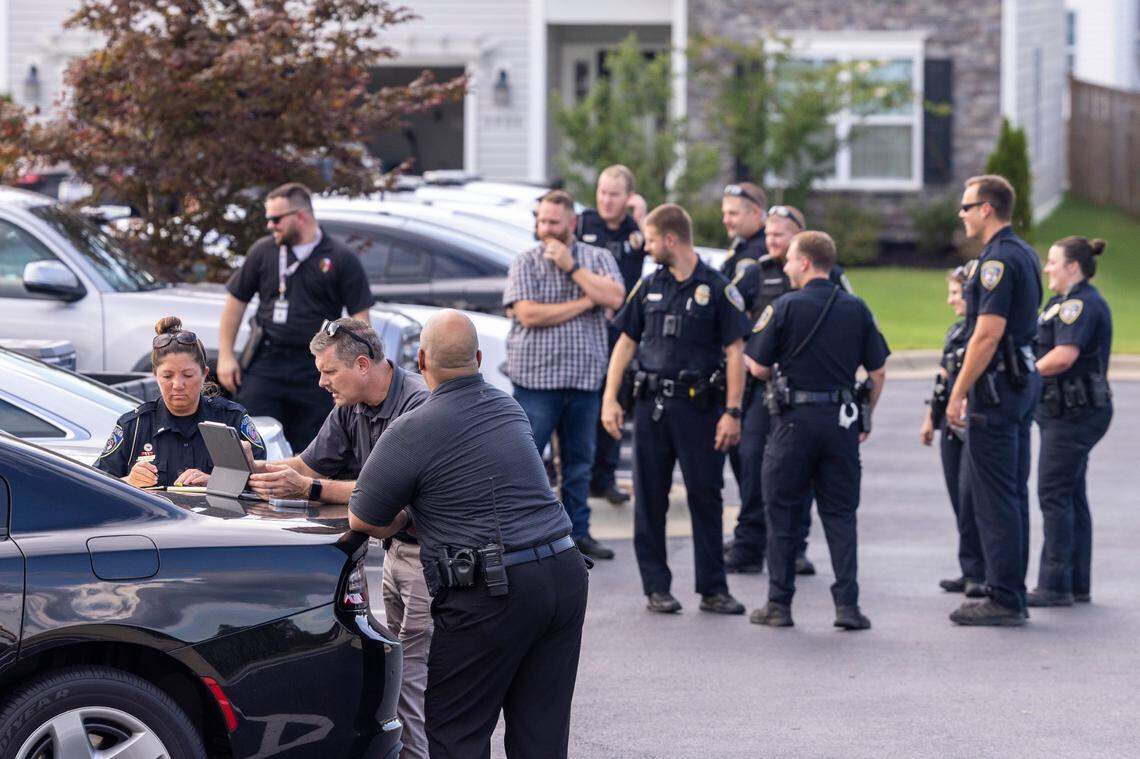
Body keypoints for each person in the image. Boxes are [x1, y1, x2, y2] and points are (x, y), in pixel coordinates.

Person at [348, 310, 590, 759]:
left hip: (491, 592)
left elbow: (363, 518)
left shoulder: (411, 428)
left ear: (420, 360)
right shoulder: (508, 406)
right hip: (564, 573)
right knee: (542, 734)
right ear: (478, 358)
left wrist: (404, 518)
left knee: (457, 733)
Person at [240, 317, 433, 759]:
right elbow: (309, 464)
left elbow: (394, 494)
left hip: (429, 555)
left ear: (362, 364)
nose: (320, 381)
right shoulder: (351, 403)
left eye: (328, 372)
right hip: (395, 550)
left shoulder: (418, 407)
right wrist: (256, 470)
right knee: (401, 674)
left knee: (414, 680)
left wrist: (309, 490)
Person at [601, 203, 752, 615]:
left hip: (699, 408)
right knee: (650, 500)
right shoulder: (650, 285)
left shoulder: (718, 289)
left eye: (651, 239)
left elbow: (735, 352)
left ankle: (713, 589)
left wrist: (732, 412)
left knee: (707, 496)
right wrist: (610, 398)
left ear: (671, 239)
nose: (646, 247)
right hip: (651, 407)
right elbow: (626, 343)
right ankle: (656, 587)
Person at [744, 231, 888, 630]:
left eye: (790, 259)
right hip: (840, 424)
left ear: (806, 263)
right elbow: (877, 371)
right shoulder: (856, 308)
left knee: (783, 512)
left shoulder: (785, 306)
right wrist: (863, 418)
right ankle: (847, 607)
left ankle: (779, 604)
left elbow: (756, 366)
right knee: (841, 515)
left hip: (793, 424)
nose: (786, 266)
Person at [504, 189, 625, 560]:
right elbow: (528, 315)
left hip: (584, 380)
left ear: (572, 223)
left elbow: (617, 297)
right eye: (541, 221)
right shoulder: (526, 261)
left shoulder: (596, 257)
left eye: (553, 222)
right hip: (536, 381)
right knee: (525, 459)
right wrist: (586, 301)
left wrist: (573, 269)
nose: (546, 229)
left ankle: (578, 535)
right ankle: (521, 534)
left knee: (579, 464)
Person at [724, 204, 844, 577]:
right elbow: (726, 318)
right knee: (753, 462)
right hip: (760, 387)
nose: (773, 242)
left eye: (781, 236)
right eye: (770, 235)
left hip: (802, 388)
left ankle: (795, 548)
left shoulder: (831, 277)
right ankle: (749, 544)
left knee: (800, 469)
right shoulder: (754, 273)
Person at [945, 174, 1043, 627]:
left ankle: (1003, 596)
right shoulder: (1022, 251)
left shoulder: (996, 261)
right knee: (1011, 493)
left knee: (994, 496)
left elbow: (986, 334)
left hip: (997, 388)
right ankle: (1011, 589)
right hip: (1020, 384)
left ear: (986, 208)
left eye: (966, 207)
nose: (961, 215)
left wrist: (958, 392)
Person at [217, 182, 374, 452]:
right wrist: (226, 355)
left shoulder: (340, 257)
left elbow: (360, 316)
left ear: (300, 216)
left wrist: (357, 364)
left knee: (314, 446)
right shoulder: (263, 251)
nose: (270, 225)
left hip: (315, 366)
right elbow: (235, 303)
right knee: (251, 438)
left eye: (275, 219)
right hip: (267, 360)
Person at [1030, 236, 1113, 607]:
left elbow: (1063, 356)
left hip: (1073, 414)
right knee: (1070, 494)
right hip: (1066, 412)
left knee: (1053, 493)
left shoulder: (1078, 305)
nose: (1048, 268)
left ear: (1073, 267)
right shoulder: (1061, 303)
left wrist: (1025, 377)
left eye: (1052, 262)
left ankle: (1054, 585)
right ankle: (1076, 582)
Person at [97, 317, 266, 487]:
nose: (178, 385)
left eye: (188, 375)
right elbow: (97, 485)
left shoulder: (232, 419)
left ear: (204, 374)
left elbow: (265, 481)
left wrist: (216, 482)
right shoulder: (134, 427)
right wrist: (129, 481)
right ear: (155, 375)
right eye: (167, 376)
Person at [578, 165, 647, 505]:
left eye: (615, 194)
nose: (606, 200)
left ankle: (606, 479)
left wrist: (642, 214)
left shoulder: (636, 230)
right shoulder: (584, 223)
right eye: (602, 192)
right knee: (585, 406)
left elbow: (652, 252)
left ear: (628, 197)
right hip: (586, 327)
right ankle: (579, 477)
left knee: (615, 399)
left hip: (621, 331)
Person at [920, 266, 986, 598]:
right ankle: (969, 567)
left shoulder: (982, 335)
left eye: (956, 294)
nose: (951, 301)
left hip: (974, 421)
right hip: (950, 423)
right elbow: (943, 378)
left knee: (971, 495)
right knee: (957, 497)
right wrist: (930, 418)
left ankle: (980, 572)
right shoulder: (956, 333)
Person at [720, 182, 767, 285]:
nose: (725, 220)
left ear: (755, 213)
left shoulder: (758, 251)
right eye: (724, 214)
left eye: (733, 213)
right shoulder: (743, 243)